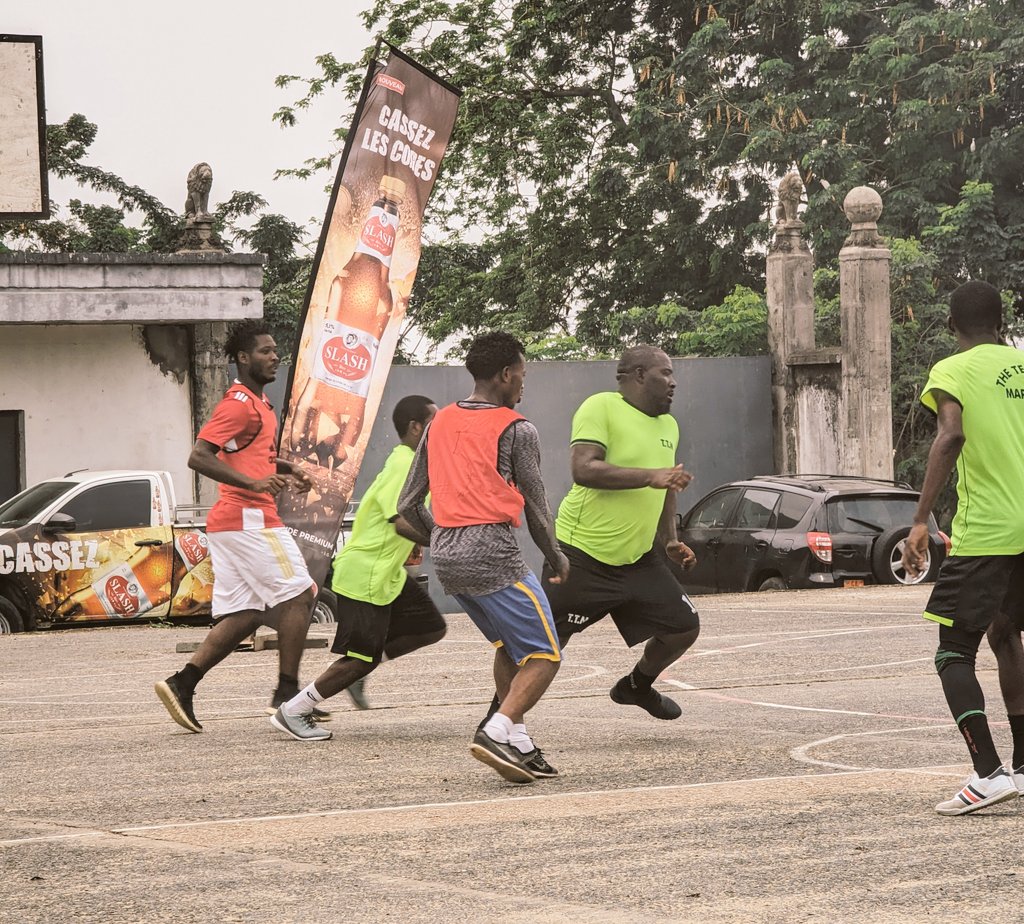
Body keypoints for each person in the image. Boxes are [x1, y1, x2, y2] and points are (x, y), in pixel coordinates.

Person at [481, 344, 699, 728]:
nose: (673, 382)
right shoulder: (601, 407)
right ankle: (498, 720)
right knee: (534, 644)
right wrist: (651, 476)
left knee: (683, 627)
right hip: (581, 556)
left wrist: (668, 539)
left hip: (637, 560)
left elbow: (667, 486)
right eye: (664, 373)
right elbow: (584, 468)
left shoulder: (670, 425)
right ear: (636, 375)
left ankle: (636, 685)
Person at [398, 331, 570, 784]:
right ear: (507, 374)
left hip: (449, 557)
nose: (523, 385)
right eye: (523, 375)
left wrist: (448, 537)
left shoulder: (439, 423)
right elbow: (536, 506)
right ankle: (496, 730)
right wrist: (554, 555)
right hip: (493, 552)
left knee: (508, 648)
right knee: (546, 655)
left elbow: (408, 505)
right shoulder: (517, 428)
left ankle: (520, 744)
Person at [155, 320, 318, 734]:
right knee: (301, 594)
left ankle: (183, 683)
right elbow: (199, 456)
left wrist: (287, 468)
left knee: (246, 613)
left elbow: (251, 456)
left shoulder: (260, 405)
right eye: (265, 351)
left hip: (233, 522)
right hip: (249, 518)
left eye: (274, 350)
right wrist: (254, 483)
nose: (274, 356)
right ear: (243, 358)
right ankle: (287, 696)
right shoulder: (238, 404)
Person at [902, 280, 1024, 815]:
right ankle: (1023, 765)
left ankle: (987, 773)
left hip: (990, 532)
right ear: (1002, 320)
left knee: (953, 652)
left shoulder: (952, 370)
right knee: (1006, 633)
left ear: (953, 326)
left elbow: (949, 435)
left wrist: (920, 520)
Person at [270, 395, 448, 740]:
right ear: (415, 429)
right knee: (359, 658)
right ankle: (294, 710)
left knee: (429, 626)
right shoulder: (405, 465)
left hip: (388, 575)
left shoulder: (413, 462)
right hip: (365, 573)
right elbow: (401, 522)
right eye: (434, 424)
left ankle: (362, 669)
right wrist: (445, 539)